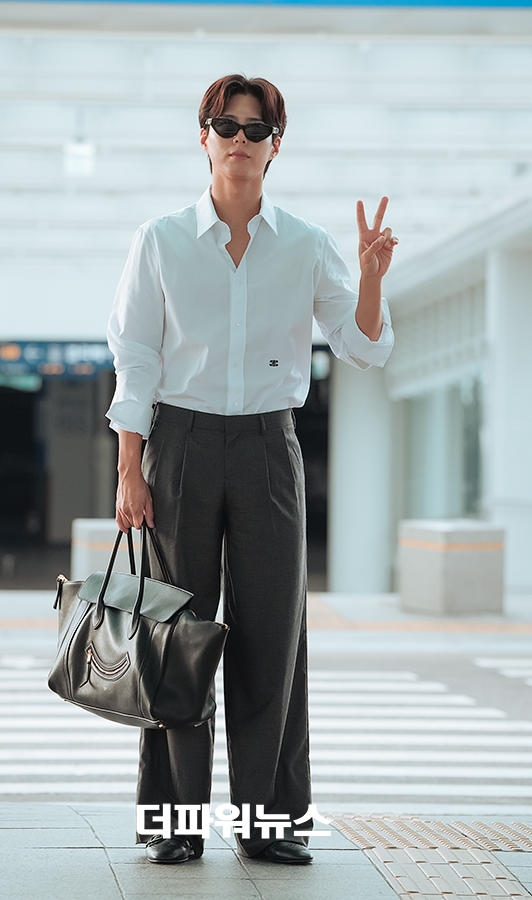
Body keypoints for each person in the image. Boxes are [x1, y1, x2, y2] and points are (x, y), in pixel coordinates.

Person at [106, 74, 396, 865]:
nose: (239, 138)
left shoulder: (306, 245)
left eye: (255, 128)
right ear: (202, 136)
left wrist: (370, 278)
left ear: (276, 145)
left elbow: (365, 346)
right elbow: (135, 360)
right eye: (223, 124)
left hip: (271, 448)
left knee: (274, 637)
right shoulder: (159, 240)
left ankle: (271, 824)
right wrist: (131, 470)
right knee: (179, 637)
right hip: (181, 448)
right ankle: (174, 826)